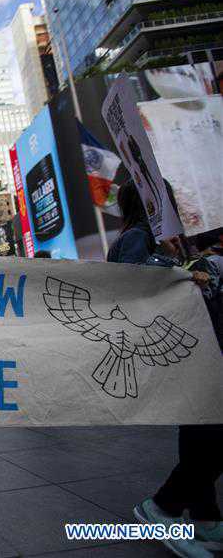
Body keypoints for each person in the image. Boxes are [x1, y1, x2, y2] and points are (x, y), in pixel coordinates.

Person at [106, 182, 222, 557]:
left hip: (193, 348)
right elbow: (132, 281)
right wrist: (178, 268)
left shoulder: (157, 240)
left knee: (203, 429)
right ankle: (164, 506)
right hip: (185, 348)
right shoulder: (139, 237)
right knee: (211, 433)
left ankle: (205, 520)